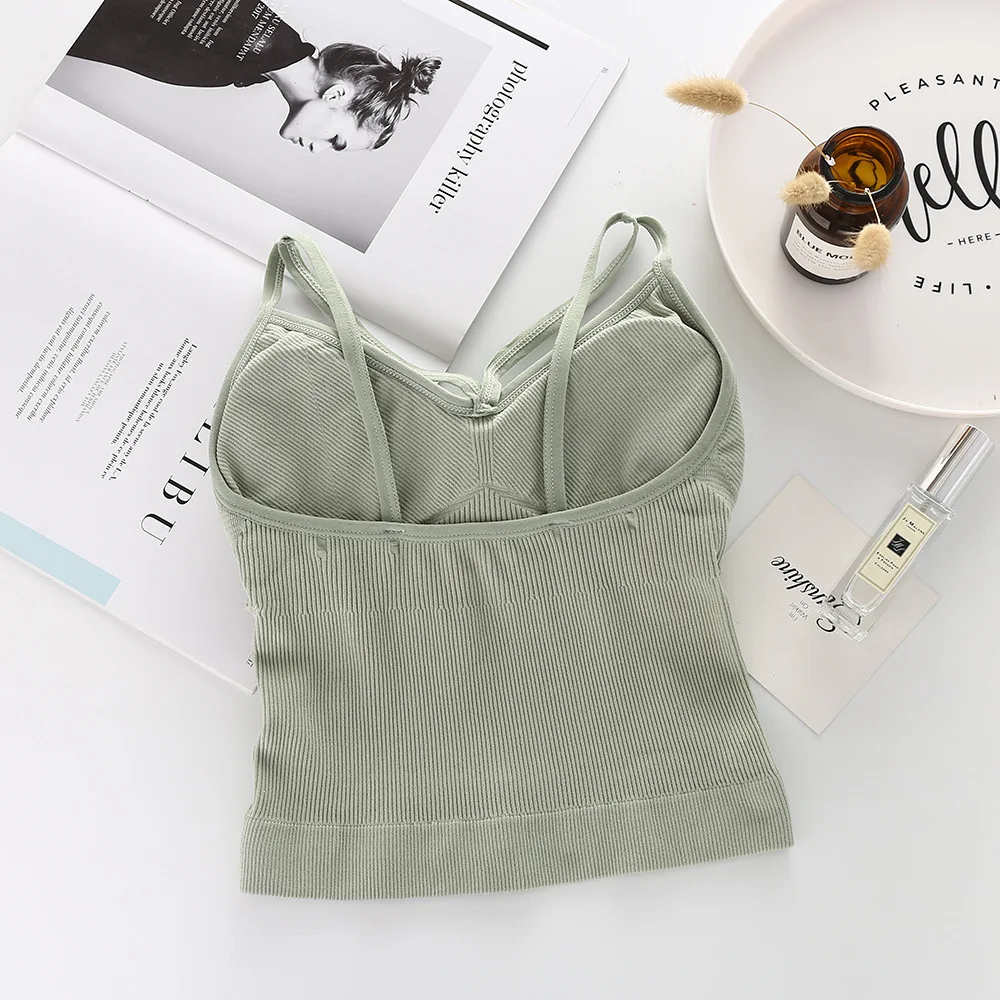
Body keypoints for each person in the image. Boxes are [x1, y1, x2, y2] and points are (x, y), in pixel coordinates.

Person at [67, 0, 441, 153]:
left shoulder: (257, 60)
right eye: (336, 141)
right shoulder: (256, 41)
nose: (319, 149)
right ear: (337, 96)